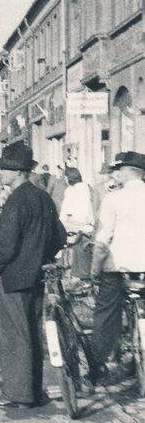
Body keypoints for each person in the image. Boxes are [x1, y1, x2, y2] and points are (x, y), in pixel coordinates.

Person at [0, 142, 66, 409]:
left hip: (12, 277)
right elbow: (59, 236)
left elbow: (6, 246)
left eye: (4, 169)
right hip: (36, 275)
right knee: (31, 332)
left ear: (18, 172)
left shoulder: (16, 201)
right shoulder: (42, 197)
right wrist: (41, 257)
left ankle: (18, 394)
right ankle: (32, 390)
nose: (0, 173)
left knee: (13, 335)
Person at [88, 151, 145, 383]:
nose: (115, 174)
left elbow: (103, 239)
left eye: (118, 170)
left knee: (106, 314)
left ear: (127, 172)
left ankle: (98, 366)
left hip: (118, 268)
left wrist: (95, 269)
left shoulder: (113, 199)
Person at [58, 167, 96, 280]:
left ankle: (74, 277)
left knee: (73, 256)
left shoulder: (70, 191)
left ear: (67, 178)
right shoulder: (87, 188)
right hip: (88, 227)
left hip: (73, 227)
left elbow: (65, 211)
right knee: (85, 256)